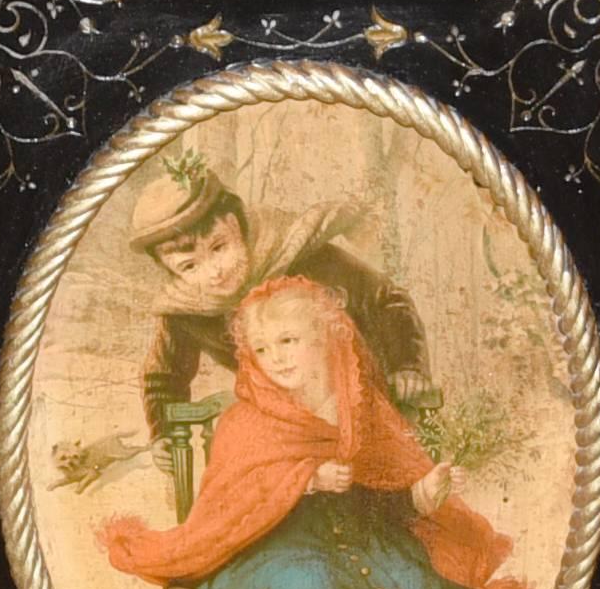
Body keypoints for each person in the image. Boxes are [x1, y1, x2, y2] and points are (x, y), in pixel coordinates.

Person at [100, 276, 529, 589]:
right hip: (273, 550)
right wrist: (306, 478)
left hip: (364, 544)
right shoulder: (246, 422)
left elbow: (377, 500)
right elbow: (231, 509)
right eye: (262, 350)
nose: (276, 359)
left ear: (325, 338)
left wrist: (419, 494)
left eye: (288, 341)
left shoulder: (361, 410)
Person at [128, 146, 430, 437]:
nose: (214, 272)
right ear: (171, 270)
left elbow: (387, 301)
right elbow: (164, 376)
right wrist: (163, 433)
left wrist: (406, 367)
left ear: (237, 224)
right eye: (189, 266)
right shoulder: (187, 309)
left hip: (364, 404)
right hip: (283, 428)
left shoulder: (299, 253)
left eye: (219, 248)